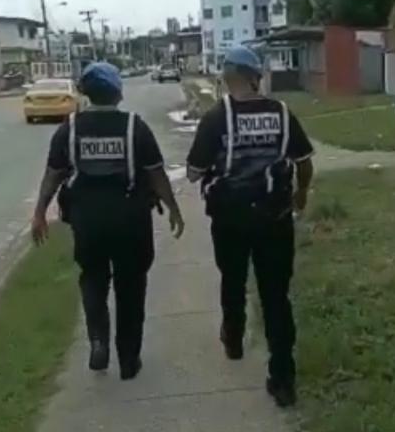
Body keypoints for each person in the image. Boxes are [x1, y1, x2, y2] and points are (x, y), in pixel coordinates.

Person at [31, 62, 184, 380]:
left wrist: (39, 213)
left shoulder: (69, 129)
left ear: (86, 93)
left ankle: (98, 341)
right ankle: (129, 359)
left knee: (93, 279)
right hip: (130, 219)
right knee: (131, 286)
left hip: (87, 220)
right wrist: (173, 208)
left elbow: (53, 175)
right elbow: (156, 174)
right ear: (117, 92)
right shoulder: (134, 127)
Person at [186, 46, 315, 407]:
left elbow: (194, 171)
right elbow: (304, 161)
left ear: (229, 77)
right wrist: (301, 193)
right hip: (275, 218)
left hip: (230, 219)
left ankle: (234, 337)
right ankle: (283, 379)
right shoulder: (282, 113)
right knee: (275, 296)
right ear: (255, 77)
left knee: (233, 279)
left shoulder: (216, 118)